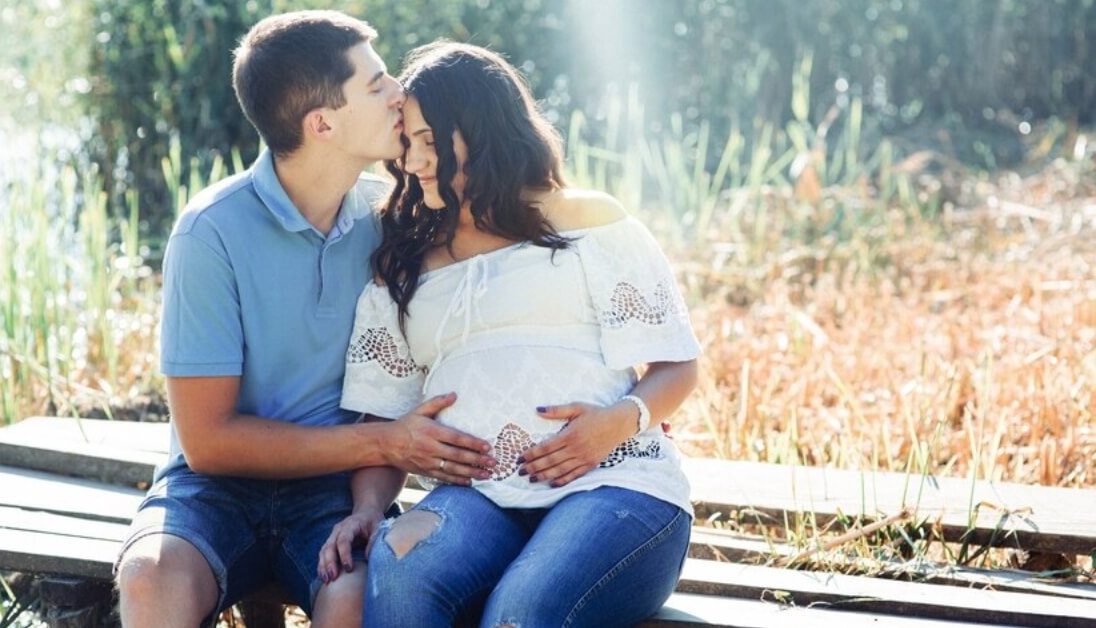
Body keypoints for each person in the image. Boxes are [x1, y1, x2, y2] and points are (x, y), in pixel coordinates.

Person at [113, 13, 498, 628]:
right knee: (149, 577)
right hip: (213, 493)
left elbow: (505, 261)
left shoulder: (389, 217)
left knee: (357, 596)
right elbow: (208, 442)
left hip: (336, 494)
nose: (399, 93)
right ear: (322, 124)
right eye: (375, 85)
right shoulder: (210, 232)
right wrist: (383, 439)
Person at [319, 42, 702, 628]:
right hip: (477, 500)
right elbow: (381, 420)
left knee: (520, 611)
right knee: (400, 573)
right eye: (408, 144)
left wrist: (613, 425)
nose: (414, 161)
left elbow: (677, 366)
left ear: (482, 131)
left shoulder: (587, 221)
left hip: (615, 485)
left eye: (430, 141)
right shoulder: (403, 265)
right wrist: (370, 509)